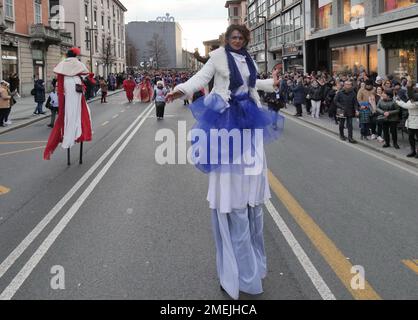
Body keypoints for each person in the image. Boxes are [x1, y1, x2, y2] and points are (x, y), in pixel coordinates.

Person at [165, 24, 282, 300]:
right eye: (233, 37)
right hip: (227, 120)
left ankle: (251, 260)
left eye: (241, 37)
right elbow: (199, 78)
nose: (238, 41)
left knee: (251, 176)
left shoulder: (249, 58)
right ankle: (234, 264)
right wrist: (179, 90)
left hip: (250, 118)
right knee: (231, 180)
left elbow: (251, 84)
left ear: (246, 39)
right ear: (226, 39)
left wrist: (271, 83)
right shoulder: (218, 56)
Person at [44, 47, 93, 160]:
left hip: (66, 85)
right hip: (76, 84)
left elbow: (58, 77)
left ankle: (69, 131)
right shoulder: (78, 63)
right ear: (75, 55)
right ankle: (77, 129)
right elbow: (86, 74)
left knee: (69, 110)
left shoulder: (62, 63)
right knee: (79, 109)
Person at [395, 93, 418, 158]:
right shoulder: (410, 102)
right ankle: (413, 151)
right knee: (411, 137)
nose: (410, 100)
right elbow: (406, 104)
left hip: (416, 121)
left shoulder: (416, 104)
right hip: (410, 121)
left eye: (412, 99)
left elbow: (405, 105)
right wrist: (400, 100)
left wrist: (397, 101)